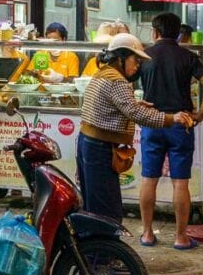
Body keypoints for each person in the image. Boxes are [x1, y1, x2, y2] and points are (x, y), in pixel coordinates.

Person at [78, 33, 194, 223]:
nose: (138, 65)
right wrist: (173, 118)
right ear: (121, 57)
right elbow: (137, 115)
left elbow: (115, 106)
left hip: (89, 143)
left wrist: (135, 104)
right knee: (107, 211)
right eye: (135, 60)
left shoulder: (103, 73)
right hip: (100, 147)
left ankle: (94, 250)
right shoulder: (118, 81)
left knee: (94, 205)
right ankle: (101, 251)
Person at [138, 12, 203, 250]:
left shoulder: (144, 56)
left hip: (153, 122)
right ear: (179, 34)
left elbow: (124, 80)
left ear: (155, 32)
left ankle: (147, 234)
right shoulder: (187, 56)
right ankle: (181, 237)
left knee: (148, 178)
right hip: (181, 123)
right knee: (180, 182)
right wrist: (201, 113)